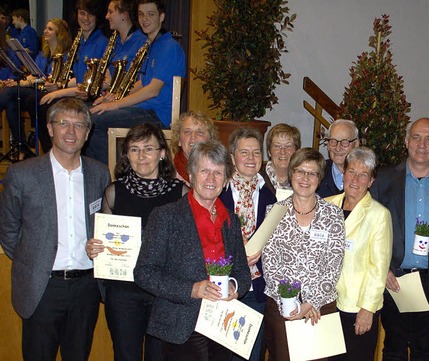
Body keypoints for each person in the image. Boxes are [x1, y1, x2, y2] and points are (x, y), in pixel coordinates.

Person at [0, 97, 111, 360]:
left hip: (86, 288)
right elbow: (8, 231)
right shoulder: (22, 174)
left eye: (79, 125)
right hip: (42, 287)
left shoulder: (100, 173)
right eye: (63, 123)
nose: (71, 132)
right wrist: (33, 260)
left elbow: (104, 223)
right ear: (50, 129)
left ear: (87, 133)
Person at [134, 141, 251, 360]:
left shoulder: (231, 221)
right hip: (180, 326)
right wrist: (192, 289)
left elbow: (243, 273)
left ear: (226, 180)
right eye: (204, 171)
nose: (210, 179)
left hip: (222, 326)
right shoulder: (165, 217)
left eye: (218, 173)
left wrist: (234, 287)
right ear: (191, 174)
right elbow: (144, 273)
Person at [85, 123, 188, 361]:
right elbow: (103, 241)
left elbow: (186, 246)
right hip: (123, 293)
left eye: (149, 148)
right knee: (125, 355)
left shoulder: (180, 194)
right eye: (134, 149)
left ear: (162, 153)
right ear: (127, 154)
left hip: (163, 293)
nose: (141, 156)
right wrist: (95, 248)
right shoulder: (114, 192)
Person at [369, 117, 429, 361]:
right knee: (394, 350)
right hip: (395, 280)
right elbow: (370, 232)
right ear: (406, 141)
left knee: (426, 352)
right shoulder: (384, 179)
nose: (422, 144)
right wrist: (382, 270)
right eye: (416, 137)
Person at [262, 148, 345, 361]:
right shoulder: (274, 211)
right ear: (291, 174)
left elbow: (334, 264)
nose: (305, 178)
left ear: (320, 178)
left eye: (313, 173)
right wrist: (292, 302)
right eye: (300, 171)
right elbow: (270, 263)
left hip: (320, 308)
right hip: (283, 308)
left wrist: (311, 302)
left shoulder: (333, 214)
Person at [86, 0, 187, 165]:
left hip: (158, 115)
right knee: (88, 112)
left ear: (162, 17)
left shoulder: (169, 47)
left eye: (151, 14)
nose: (145, 19)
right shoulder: (152, 45)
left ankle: (106, 177)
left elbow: (153, 90)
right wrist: (114, 97)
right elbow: (141, 84)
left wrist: (116, 105)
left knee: (95, 120)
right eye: (141, 14)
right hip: (146, 109)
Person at [325, 147, 392, 361]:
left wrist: (368, 309)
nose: (355, 179)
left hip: (356, 307)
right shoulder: (326, 205)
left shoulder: (379, 215)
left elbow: (378, 268)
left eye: (363, 175)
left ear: (371, 181)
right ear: (343, 173)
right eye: (351, 171)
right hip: (324, 303)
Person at [220, 127, 276, 361]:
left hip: (256, 286)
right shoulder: (218, 191)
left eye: (256, 152)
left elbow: (276, 239)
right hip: (223, 286)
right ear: (232, 157)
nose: (251, 158)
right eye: (244, 152)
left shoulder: (269, 195)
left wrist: (263, 247)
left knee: (250, 354)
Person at [37, 0, 109, 152]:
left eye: (90, 14)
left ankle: (60, 153)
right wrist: (58, 86)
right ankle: (52, 154)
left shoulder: (102, 42)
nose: (86, 18)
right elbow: (78, 77)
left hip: (89, 96)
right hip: (78, 92)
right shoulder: (80, 41)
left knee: (46, 105)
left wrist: (59, 92)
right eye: (82, 13)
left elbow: (88, 83)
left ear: (97, 17)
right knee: (38, 100)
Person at [0, 18, 71, 158]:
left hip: (49, 91)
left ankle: (24, 148)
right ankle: (22, 148)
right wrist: (19, 82)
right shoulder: (43, 54)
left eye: (50, 29)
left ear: (60, 33)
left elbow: (50, 79)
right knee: (11, 102)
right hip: (37, 89)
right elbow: (35, 74)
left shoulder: (66, 55)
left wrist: (25, 83)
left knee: (9, 93)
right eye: (46, 28)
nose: (45, 31)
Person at [171, 110, 218, 186]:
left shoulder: (220, 171)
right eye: (187, 132)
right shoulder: (167, 173)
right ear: (179, 140)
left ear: (210, 140)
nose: (193, 136)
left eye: (200, 132)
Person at [318, 119, 360, 198]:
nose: (338, 148)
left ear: (356, 144)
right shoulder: (317, 172)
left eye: (344, 142)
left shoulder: (365, 177)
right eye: (333, 141)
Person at [260, 123, 301, 194]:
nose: (282, 151)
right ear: (269, 151)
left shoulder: (304, 180)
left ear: (296, 151)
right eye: (277, 146)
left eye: (288, 146)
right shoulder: (257, 179)